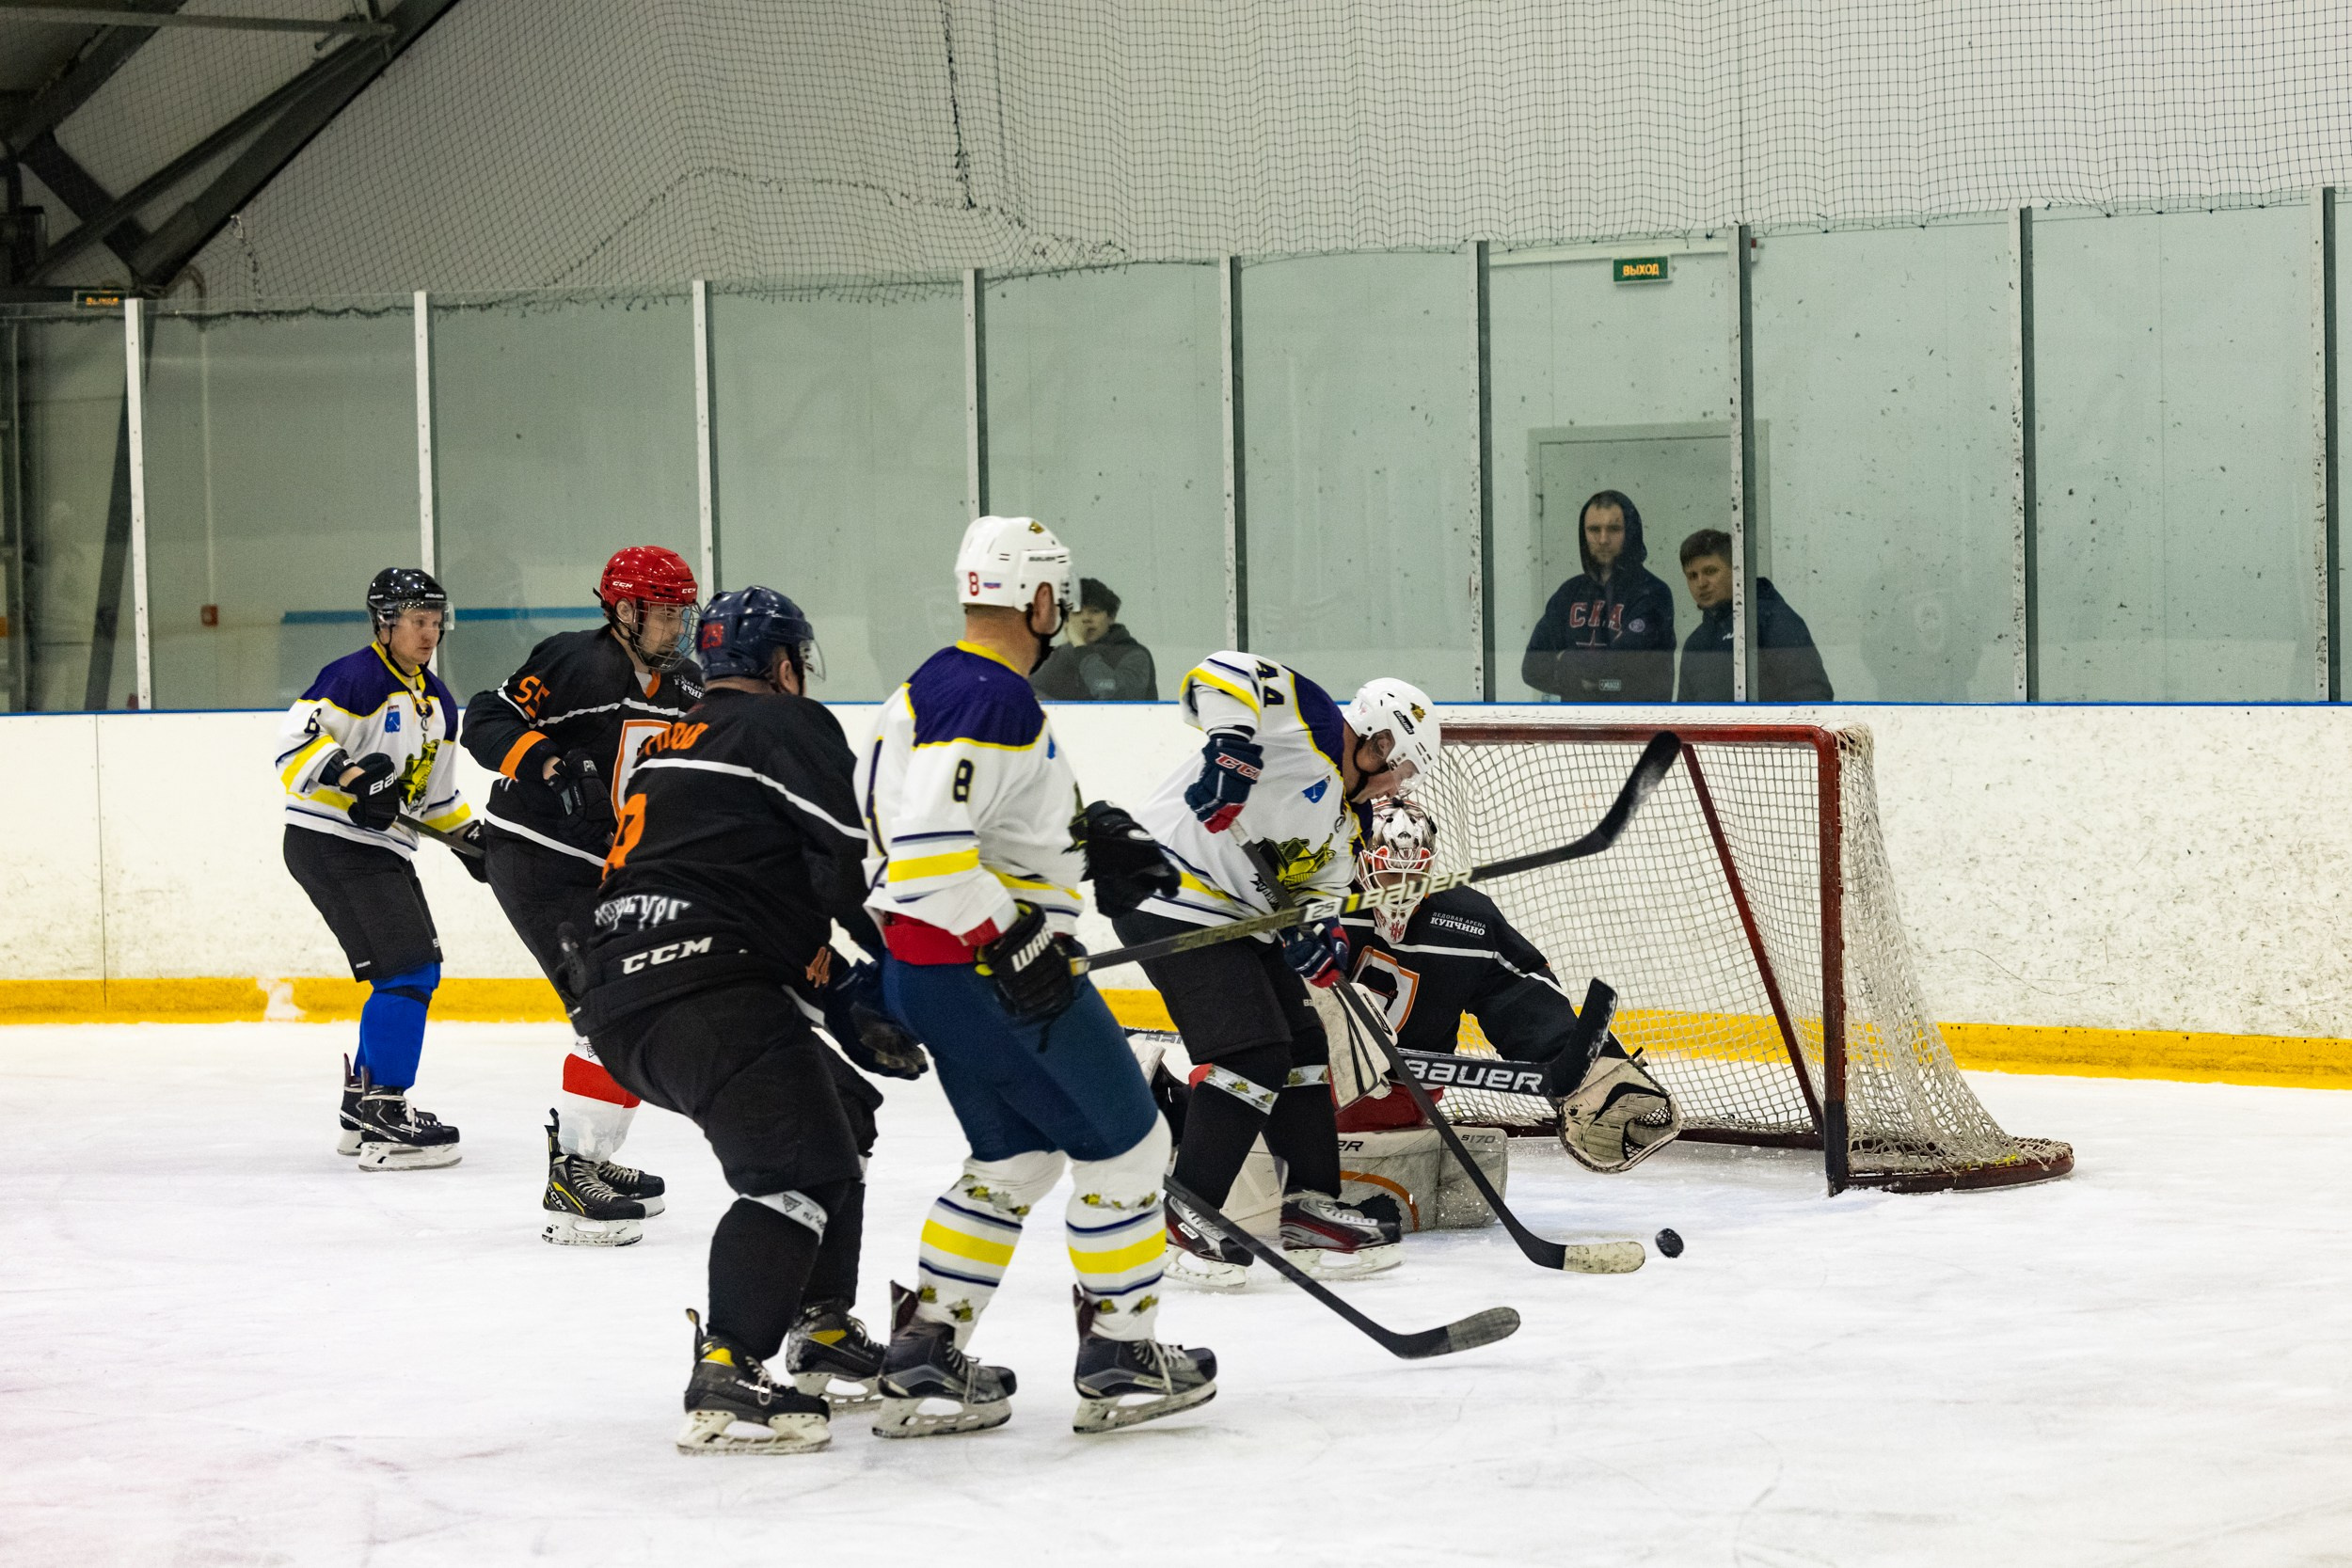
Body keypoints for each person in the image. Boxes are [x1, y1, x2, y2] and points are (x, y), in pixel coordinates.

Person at [859, 515, 1214, 1438]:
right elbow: (936, 855)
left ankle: (924, 1353)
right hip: (988, 971)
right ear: (1042, 599)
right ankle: (1121, 1357)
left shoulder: (928, 684)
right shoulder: (994, 696)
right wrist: (1011, 937)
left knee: (1013, 1160)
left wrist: (1087, 833)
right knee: (1129, 1148)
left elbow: (943, 829)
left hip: (928, 969)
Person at [570, 586, 928, 1454]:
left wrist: (842, 984)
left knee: (840, 1113)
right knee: (792, 1167)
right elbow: (847, 871)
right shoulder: (788, 728)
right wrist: (919, 971)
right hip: (705, 990)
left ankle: (819, 1324)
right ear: (782, 664)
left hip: (624, 996)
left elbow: (737, 884)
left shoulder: (675, 739)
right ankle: (728, 1366)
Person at [1112, 653, 1436, 1288]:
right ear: (1379, 736)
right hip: (1163, 892)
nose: (1401, 781)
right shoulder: (1309, 717)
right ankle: (1188, 1211)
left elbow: (1321, 895)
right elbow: (1218, 672)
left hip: (1234, 918)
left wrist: (1321, 938)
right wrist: (1231, 747)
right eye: (1402, 763)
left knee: (1304, 1044)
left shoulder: (1351, 821)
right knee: (1250, 1051)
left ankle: (1312, 1208)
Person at [459, 545, 704, 1246]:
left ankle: (590, 1158)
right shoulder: (575, 660)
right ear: (623, 612)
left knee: (647, 1000)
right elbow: (484, 718)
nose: (677, 626)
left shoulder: (685, 685)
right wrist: (547, 760)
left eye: (683, 611)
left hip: (606, 868)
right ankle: (572, 1176)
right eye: (664, 612)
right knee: (614, 1006)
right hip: (537, 859)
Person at [1333, 799, 1680, 1173]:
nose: (1401, 890)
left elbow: (1520, 996)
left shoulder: (1469, 920)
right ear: (1362, 862)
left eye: (1414, 876)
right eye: (1390, 875)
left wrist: (1582, 1066)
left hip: (1404, 1096)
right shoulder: (1320, 907)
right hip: (1311, 1089)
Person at [275, 567, 485, 1171]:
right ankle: (385, 1113)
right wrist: (352, 777)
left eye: (436, 622)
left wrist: (474, 840)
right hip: (330, 840)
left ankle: (364, 1104)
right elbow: (294, 744)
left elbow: (435, 800)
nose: (430, 633)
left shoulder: (439, 702)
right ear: (385, 622)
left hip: (383, 848)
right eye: (418, 622)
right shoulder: (355, 677)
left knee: (412, 971)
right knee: (409, 969)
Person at [1523, 489, 1677, 702]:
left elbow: (1626, 663)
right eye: (1594, 529)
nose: (1603, 539)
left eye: (1614, 529)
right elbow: (1532, 668)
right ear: (1583, 534)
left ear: (1630, 532)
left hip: (1636, 727)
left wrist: (1564, 660)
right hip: (1579, 727)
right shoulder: (1569, 593)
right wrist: (1592, 678)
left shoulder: (1653, 592)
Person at [1674, 529, 1835, 702]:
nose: (1701, 583)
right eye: (1692, 576)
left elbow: (1812, 696)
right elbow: (1683, 720)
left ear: (1736, 571)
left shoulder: (1771, 619)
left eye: (1710, 571)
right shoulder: (1695, 643)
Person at [1027, 576, 1157, 700]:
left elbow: (1108, 691)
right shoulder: (1063, 653)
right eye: (1077, 612)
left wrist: (1080, 646)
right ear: (1068, 619)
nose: (1086, 619)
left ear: (1111, 617)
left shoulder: (1134, 654)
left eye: (1095, 611)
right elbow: (1030, 690)